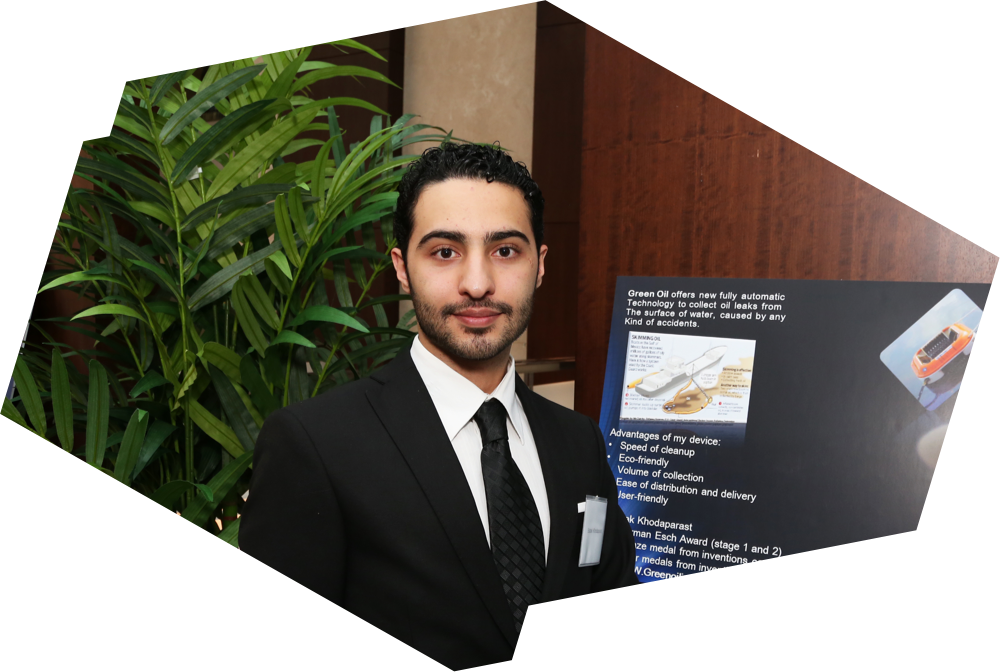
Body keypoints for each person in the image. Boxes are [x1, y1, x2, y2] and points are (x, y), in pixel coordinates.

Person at [239, 142, 639, 669]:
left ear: (540, 265)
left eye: (505, 251)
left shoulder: (579, 441)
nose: (477, 284)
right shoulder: (315, 445)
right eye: (445, 251)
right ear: (403, 269)